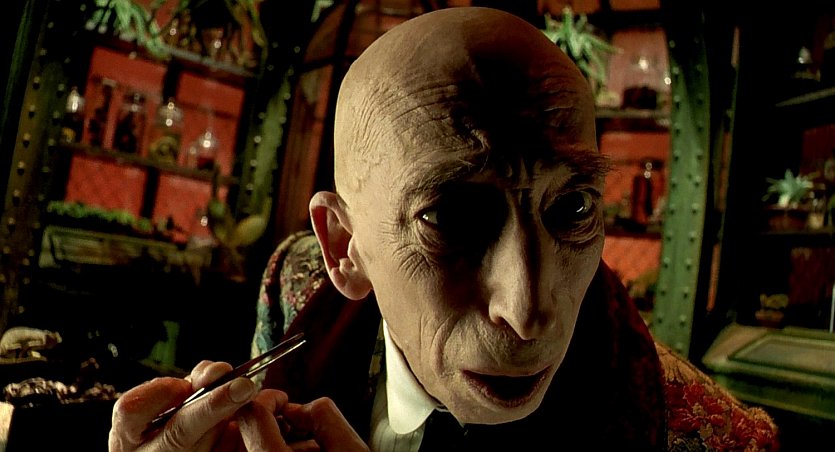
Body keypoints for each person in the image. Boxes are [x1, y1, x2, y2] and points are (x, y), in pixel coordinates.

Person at [109, 7, 779, 451]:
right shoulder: (296, 279)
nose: (528, 313)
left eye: (574, 208)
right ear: (342, 247)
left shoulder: (717, 442)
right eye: (450, 219)